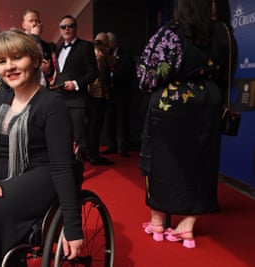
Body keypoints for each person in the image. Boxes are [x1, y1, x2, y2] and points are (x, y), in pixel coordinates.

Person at [0, 29, 83, 267]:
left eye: (16, 58)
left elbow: (63, 167)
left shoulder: (52, 105)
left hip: (42, 175)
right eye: (2, 61)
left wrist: (73, 228)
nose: (9, 67)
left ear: (33, 60)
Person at [137, 0, 237, 248]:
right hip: (207, 104)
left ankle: (158, 222)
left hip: (169, 105)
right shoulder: (223, 32)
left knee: (161, 162)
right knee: (200, 164)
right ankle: (186, 227)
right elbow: (229, 73)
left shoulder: (170, 33)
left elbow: (146, 76)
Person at [52, 14, 99, 164]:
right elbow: (60, 72)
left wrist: (76, 83)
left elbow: (93, 72)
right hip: (59, 98)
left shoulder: (85, 46)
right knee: (61, 135)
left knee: (79, 137)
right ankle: (65, 167)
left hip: (77, 100)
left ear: (76, 28)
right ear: (59, 30)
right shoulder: (59, 49)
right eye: (63, 27)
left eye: (70, 25)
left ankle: (79, 171)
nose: (67, 29)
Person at [101, 31, 135, 157]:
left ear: (112, 43)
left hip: (123, 93)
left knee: (123, 121)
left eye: (107, 43)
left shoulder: (126, 55)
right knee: (110, 120)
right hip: (109, 94)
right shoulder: (105, 56)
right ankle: (112, 145)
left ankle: (125, 147)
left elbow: (130, 74)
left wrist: (114, 75)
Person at [87, 40, 114, 165]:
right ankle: (94, 156)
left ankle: (89, 153)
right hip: (100, 93)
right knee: (95, 127)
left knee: (90, 127)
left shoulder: (89, 52)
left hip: (88, 93)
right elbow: (114, 66)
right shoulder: (105, 53)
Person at [21, 8, 54, 86]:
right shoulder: (18, 41)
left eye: (37, 21)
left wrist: (48, 70)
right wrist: (34, 36)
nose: (34, 24)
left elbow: (51, 72)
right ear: (23, 25)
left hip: (43, 89)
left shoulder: (46, 45)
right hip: (26, 88)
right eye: (31, 21)